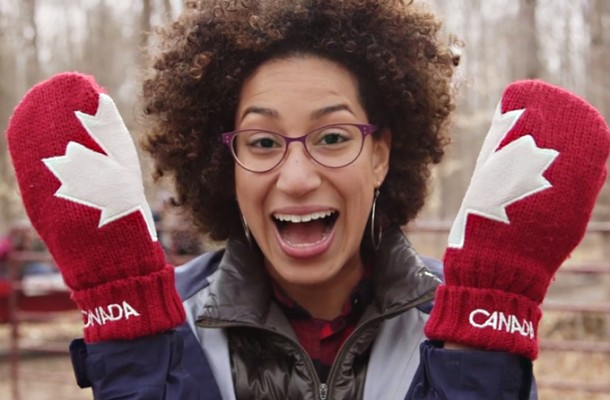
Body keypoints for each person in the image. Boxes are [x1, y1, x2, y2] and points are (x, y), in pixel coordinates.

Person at [6, 0, 610, 399]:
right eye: (263, 141)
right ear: (227, 165)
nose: (297, 178)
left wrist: (478, 346)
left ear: (380, 155)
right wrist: (131, 341)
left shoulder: (469, 325)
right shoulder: (164, 324)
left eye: (333, 137)